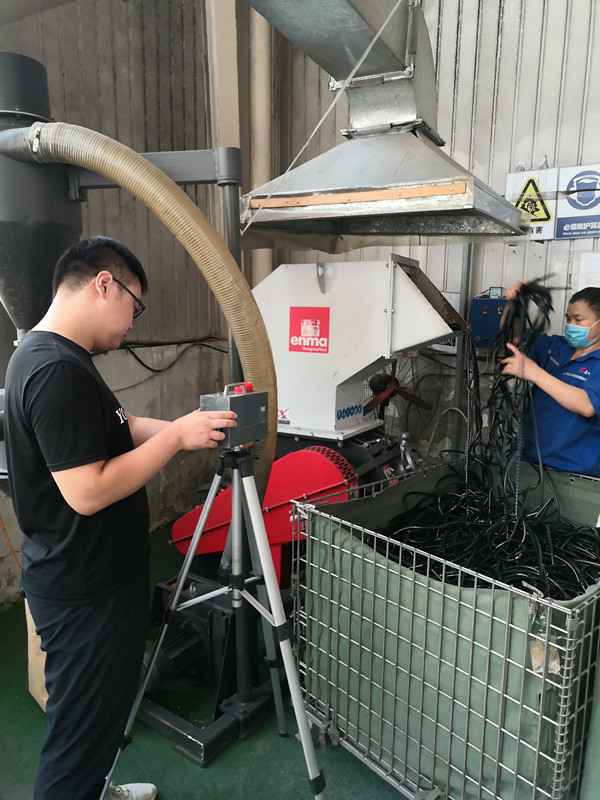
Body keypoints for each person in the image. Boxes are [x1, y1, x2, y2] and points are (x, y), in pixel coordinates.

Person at [4, 236, 237, 800]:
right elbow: (87, 491)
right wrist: (176, 439)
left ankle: (98, 791)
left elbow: (121, 427)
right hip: (85, 591)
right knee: (78, 737)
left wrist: (188, 430)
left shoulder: (62, 358)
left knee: (99, 719)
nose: (133, 325)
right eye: (135, 307)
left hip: (92, 577)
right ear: (104, 284)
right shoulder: (54, 369)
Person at [501, 282, 600, 476]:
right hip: (530, 462)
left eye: (578, 319)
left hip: (574, 473)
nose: (570, 325)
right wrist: (515, 305)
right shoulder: (557, 347)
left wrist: (534, 372)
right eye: (568, 319)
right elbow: (515, 338)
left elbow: (587, 405)